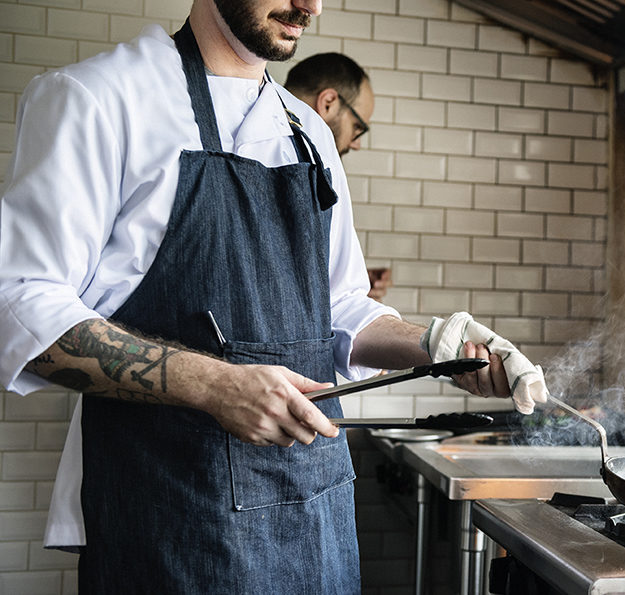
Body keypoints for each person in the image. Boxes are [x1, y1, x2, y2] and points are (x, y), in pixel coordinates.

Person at [0, 0, 544, 592]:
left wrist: (437, 343)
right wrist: (212, 384)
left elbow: (337, 307)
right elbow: (20, 304)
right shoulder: (97, 98)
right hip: (173, 517)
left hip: (315, 514)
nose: (309, 5)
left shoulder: (307, 133)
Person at [284, 52, 391, 300]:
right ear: (329, 102)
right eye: (357, 127)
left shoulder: (317, 169)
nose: (356, 144)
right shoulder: (290, 166)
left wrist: (346, 284)